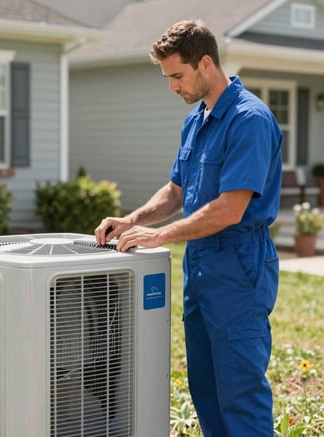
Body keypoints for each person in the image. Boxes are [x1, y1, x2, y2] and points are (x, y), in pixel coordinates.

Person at [95, 19, 282, 437]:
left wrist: (159, 236)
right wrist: (133, 221)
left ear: (205, 64)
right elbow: (176, 191)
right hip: (200, 268)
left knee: (239, 390)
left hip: (238, 267)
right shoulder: (197, 120)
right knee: (206, 387)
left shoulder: (249, 120)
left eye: (177, 76)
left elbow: (230, 210)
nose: (172, 87)